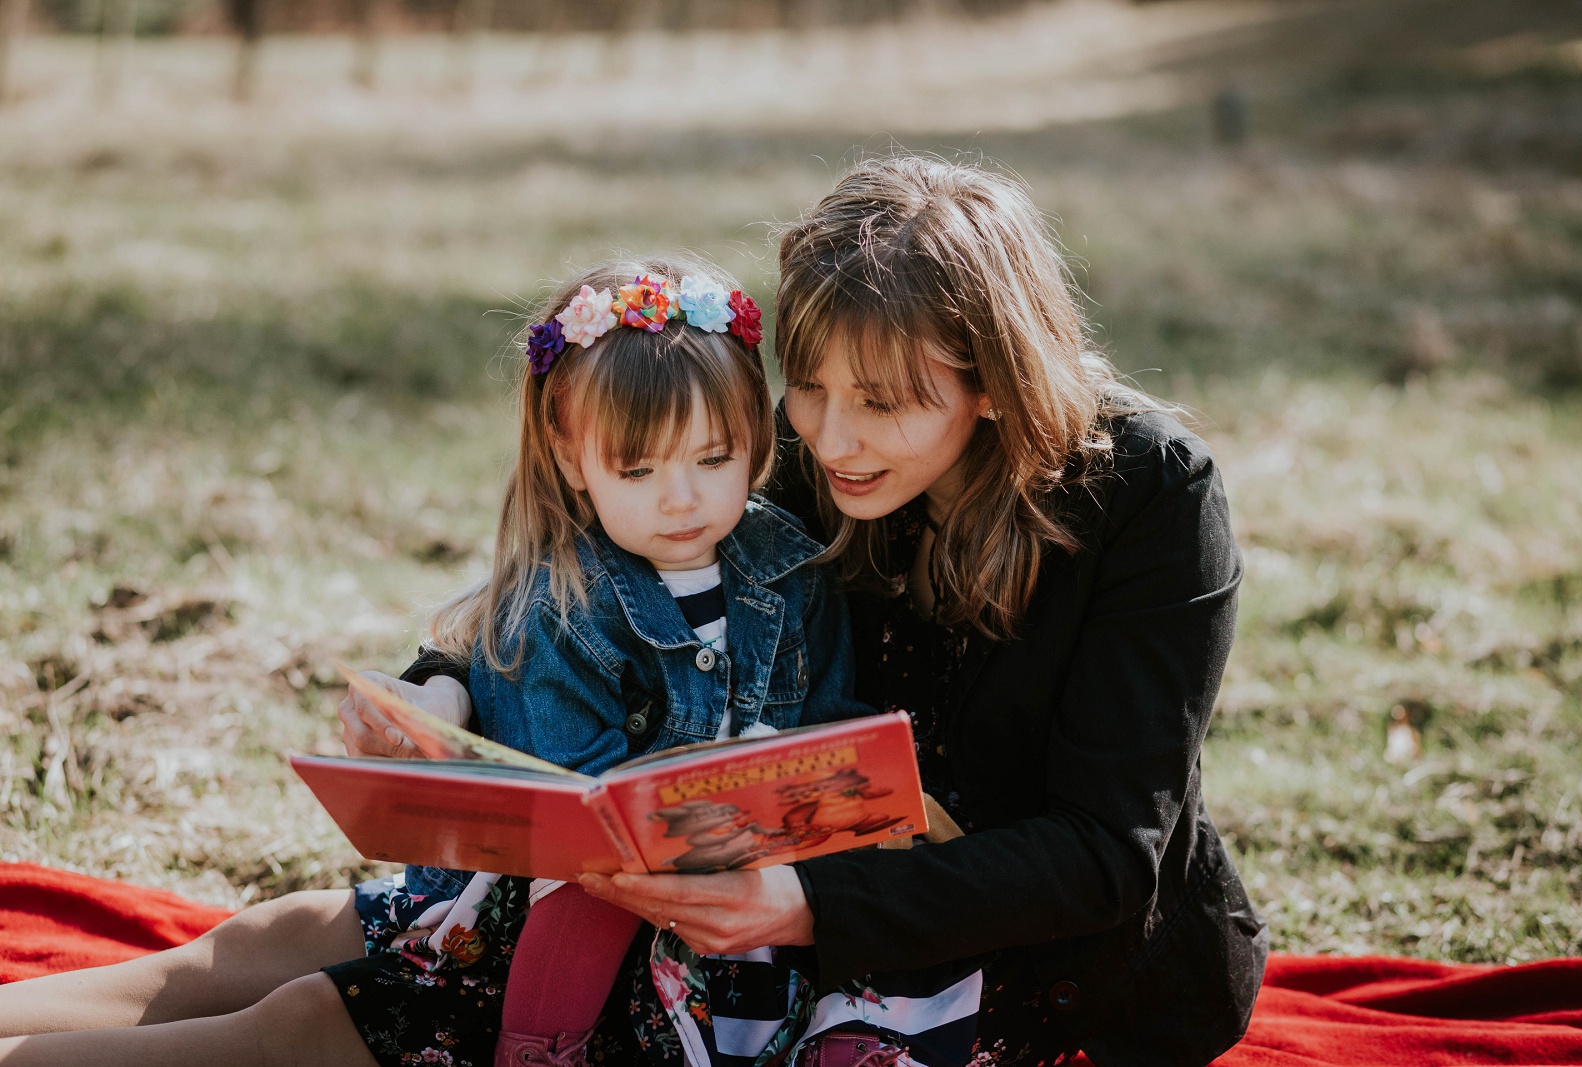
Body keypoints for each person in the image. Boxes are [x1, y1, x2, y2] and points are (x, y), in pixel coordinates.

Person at [0, 257, 869, 1067]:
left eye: (713, 458)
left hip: (705, 949)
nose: (682, 498)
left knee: (302, 1020)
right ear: (571, 455)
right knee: (282, 935)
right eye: (637, 468)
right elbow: (573, 814)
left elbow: (831, 740)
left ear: (755, 433)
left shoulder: (795, 569)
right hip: (542, 919)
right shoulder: (559, 602)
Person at [566, 158, 1270, 1067]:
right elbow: (601, 571)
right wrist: (441, 685)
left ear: (992, 381)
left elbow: (1106, 853)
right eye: (808, 383)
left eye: (884, 402)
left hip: (1064, 976)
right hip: (785, 935)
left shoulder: (1152, 493)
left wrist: (809, 904)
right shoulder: (809, 447)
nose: (828, 436)